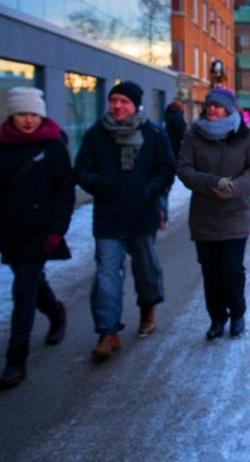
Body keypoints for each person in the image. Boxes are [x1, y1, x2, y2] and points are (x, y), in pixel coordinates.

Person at [0, 87, 74, 390]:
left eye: (33, 115)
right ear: (11, 116)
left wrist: (57, 229)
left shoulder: (53, 147)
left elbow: (63, 192)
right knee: (30, 283)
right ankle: (56, 313)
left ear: (40, 116)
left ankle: (16, 361)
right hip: (10, 232)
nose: (28, 121)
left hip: (41, 232)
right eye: (21, 115)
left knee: (22, 291)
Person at [75, 81, 175, 362]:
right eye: (114, 101)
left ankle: (148, 310)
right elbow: (81, 169)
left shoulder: (153, 133)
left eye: (124, 102)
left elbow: (166, 169)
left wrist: (148, 192)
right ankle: (108, 332)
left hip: (142, 215)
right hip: (108, 218)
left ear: (135, 105)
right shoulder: (97, 134)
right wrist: (100, 184)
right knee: (106, 274)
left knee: (145, 269)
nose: (118, 106)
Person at [176, 88, 250, 339]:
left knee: (231, 269)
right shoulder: (194, 134)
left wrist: (238, 187)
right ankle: (216, 318)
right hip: (204, 216)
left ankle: (237, 314)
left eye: (218, 105)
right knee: (211, 272)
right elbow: (183, 168)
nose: (212, 109)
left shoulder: (245, 136)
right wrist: (211, 182)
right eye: (209, 105)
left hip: (235, 215)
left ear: (229, 108)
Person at [160, 101, 188, 225]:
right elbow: (184, 138)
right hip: (175, 155)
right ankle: (162, 215)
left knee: (162, 187)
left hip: (163, 154)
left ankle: (161, 214)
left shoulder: (166, 118)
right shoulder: (180, 121)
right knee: (166, 186)